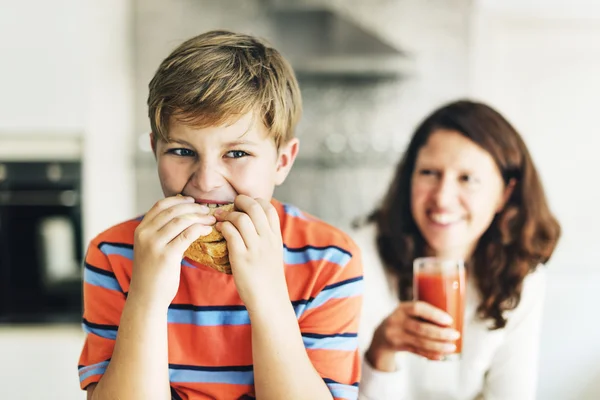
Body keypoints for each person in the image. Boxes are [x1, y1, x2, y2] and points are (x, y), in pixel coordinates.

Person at [77, 30, 363, 400]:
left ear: (282, 161)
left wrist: (266, 295)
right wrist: (146, 295)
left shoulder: (329, 261)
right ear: (154, 150)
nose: (207, 181)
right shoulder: (114, 254)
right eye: (182, 151)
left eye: (237, 153)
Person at [353, 100, 561, 400]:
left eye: (467, 179)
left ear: (505, 193)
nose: (443, 198)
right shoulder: (356, 259)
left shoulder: (519, 276)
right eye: (429, 173)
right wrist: (381, 352)